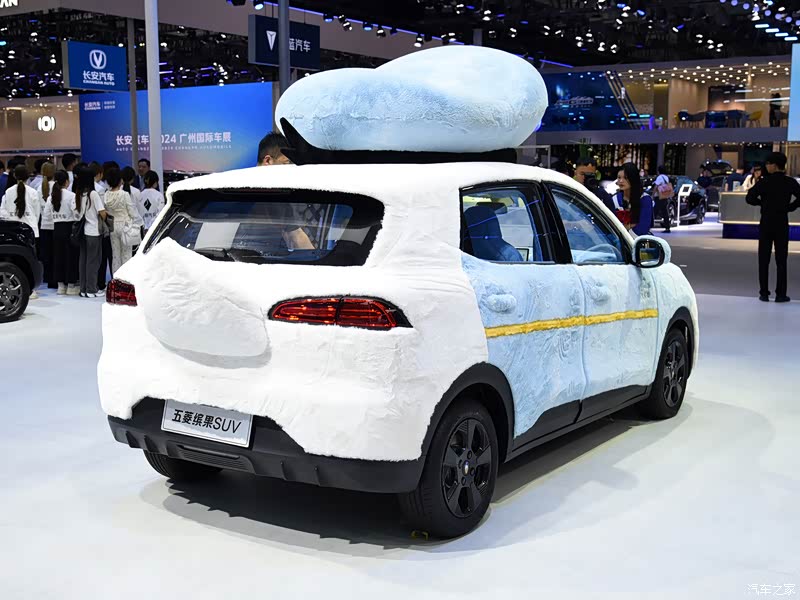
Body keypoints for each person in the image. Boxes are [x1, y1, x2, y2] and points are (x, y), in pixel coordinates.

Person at [746, 151, 800, 303]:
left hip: (766, 222)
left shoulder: (765, 182)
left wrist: (762, 203)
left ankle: (764, 293)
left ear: (774, 165)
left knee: (764, 258)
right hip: (782, 221)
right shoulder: (790, 182)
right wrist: (790, 207)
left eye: (768, 164)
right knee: (781, 260)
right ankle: (781, 294)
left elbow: (749, 198)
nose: (766, 166)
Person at [257, 132, 315, 250]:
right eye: (286, 164)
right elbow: (297, 237)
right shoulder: (275, 195)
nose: (289, 171)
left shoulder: (228, 189)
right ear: (268, 161)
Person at [0, 165, 42, 298]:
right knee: (31, 260)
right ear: (27, 176)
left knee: (15, 261)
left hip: (13, 231)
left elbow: (2, 211)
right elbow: (37, 212)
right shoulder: (33, 192)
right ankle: (32, 290)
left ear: (14, 175)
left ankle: (16, 285)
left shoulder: (8, 192)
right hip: (30, 230)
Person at [72, 167, 107, 298]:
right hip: (93, 232)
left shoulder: (79, 193)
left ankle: (83, 289)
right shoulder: (93, 194)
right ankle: (91, 289)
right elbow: (102, 213)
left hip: (82, 232)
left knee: (83, 261)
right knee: (94, 261)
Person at [45, 170, 79, 295]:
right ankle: (70, 286)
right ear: (66, 182)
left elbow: (47, 215)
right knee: (71, 257)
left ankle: (60, 286)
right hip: (69, 228)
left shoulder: (51, 197)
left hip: (56, 229)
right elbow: (76, 213)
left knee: (58, 257)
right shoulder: (71, 195)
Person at [103, 167, 140, 273]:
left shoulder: (106, 194)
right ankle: (126, 279)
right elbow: (132, 212)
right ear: (120, 180)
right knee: (126, 255)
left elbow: (106, 211)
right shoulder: (124, 194)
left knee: (115, 255)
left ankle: (116, 278)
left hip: (113, 226)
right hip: (125, 226)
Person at [615, 162, 653, 237]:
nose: (621, 181)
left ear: (633, 179)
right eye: (619, 177)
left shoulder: (645, 199)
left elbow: (643, 228)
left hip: (637, 240)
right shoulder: (614, 199)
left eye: (625, 178)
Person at [37, 161, 57, 289]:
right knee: (56, 253)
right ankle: (55, 279)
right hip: (56, 223)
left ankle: (47, 277)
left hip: (43, 224)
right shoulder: (56, 186)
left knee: (46, 253)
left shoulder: (38, 187)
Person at [653, 165, 673, 233]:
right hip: (665, 196)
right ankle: (667, 227)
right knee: (665, 212)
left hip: (659, 197)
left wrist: (653, 194)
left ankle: (648, 225)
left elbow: (656, 186)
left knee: (654, 211)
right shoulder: (666, 177)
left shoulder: (659, 177)